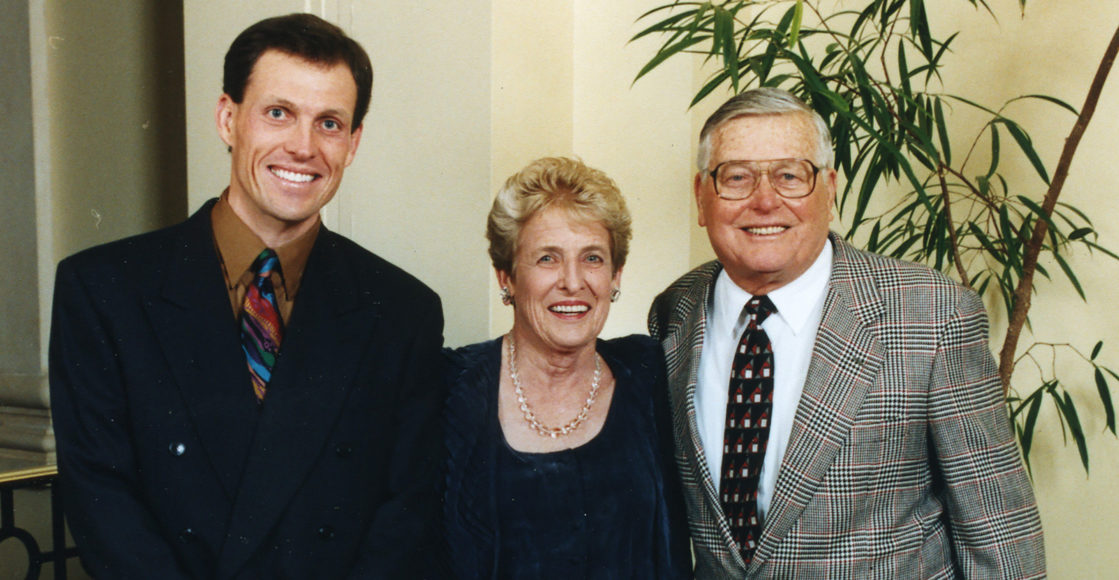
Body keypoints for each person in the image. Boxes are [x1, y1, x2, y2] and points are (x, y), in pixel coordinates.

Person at [49, 13, 444, 578]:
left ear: (353, 143)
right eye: (278, 113)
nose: (303, 147)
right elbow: (101, 501)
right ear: (228, 118)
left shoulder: (402, 310)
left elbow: (404, 517)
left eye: (329, 123)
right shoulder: (104, 290)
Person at [648, 87, 1045, 578]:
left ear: (830, 190)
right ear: (702, 197)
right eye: (736, 177)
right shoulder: (674, 312)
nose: (765, 200)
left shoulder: (931, 314)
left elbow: (1000, 531)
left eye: (790, 175)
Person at [442, 157, 692, 578]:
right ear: (507, 277)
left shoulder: (648, 373)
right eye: (547, 259)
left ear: (616, 276)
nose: (573, 282)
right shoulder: (449, 388)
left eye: (592, 258)